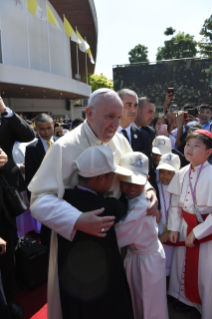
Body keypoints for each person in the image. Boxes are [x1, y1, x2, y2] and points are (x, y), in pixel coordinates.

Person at [28, 88, 158, 319]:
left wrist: (148, 190)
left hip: (117, 239)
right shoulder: (64, 147)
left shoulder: (118, 140)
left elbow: (134, 173)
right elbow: (38, 200)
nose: (115, 124)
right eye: (109, 117)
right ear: (89, 113)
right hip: (78, 247)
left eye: (119, 117)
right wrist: (77, 219)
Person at [59, 145, 134, 319]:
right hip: (101, 287)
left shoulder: (64, 198)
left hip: (72, 283)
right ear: (101, 179)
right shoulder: (109, 207)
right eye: (113, 177)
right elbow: (123, 204)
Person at [115, 152, 168, 319]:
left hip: (147, 261)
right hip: (139, 257)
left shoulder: (141, 205)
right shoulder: (138, 195)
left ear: (146, 179)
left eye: (137, 183)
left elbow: (118, 235)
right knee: (140, 302)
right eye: (127, 182)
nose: (131, 188)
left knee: (150, 305)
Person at [168, 129, 212, 317]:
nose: (189, 149)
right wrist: (173, 228)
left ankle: (204, 306)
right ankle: (186, 300)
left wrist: (198, 232)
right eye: (187, 144)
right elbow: (175, 205)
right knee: (181, 267)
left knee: (204, 272)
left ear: (209, 152)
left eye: (196, 146)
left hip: (206, 233)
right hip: (186, 227)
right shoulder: (181, 173)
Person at [0, 97, 35, 319]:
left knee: (7, 250)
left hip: (4, 200)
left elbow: (29, 136)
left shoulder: (5, 121)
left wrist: (5, 110)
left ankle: (9, 297)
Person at [25, 113, 56, 248]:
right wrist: (34, 202)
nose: (46, 132)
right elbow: (30, 178)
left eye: (49, 127)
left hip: (64, 195)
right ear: (36, 129)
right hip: (44, 198)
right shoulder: (31, 148)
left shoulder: (63, 143)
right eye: (42, 129)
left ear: (53, 125)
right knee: (47, 231)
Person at [156, 153, 180, 277]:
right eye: (162, 172)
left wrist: (171, 229)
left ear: (176, 173)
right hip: (158, 234)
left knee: (173, 268)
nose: (165, 176)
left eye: (169, 173)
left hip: (174, 234)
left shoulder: (180, 189)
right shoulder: (155, 188)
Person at [117, 89, 152, 158]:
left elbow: (148, 166)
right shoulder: (107, 134)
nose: (133, 110)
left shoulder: (144, 136)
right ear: (117, 105)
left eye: (135, 105)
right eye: (128, 105)